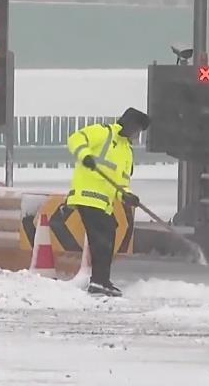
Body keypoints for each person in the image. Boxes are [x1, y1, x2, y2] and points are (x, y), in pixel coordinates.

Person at [66, 108, 150, 296]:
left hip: (103, 203)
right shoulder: (103, 132)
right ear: (128, 124)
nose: (137, 135)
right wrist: (85, 156)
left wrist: (127, 196)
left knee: (108, 237)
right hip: (86, 196)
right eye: (137, 129)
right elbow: (75, 138)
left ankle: (101, 281)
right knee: (102, 241)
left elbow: (121, 184)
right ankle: (99, 281)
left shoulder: (127, 152)